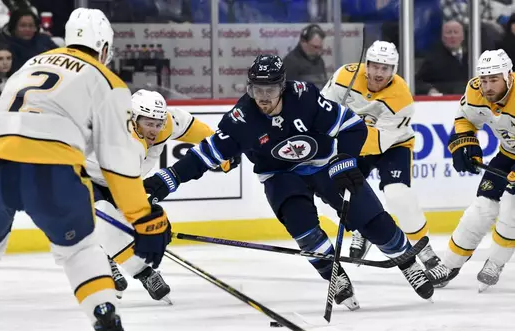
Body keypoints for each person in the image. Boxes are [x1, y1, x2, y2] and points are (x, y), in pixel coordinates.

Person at [0, 8, 172, 331]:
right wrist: (144, 217)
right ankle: (106, 321)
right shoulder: (107, 81)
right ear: (103, 47)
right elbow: (117, 162)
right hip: (48, 166)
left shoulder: (31, 63)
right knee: (79, 250)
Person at [143, 54, 435, 309]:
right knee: (303, 227)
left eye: (270, 89)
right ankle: (335, 277)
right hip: (280, 175)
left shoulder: (305, 98)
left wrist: (345, 160)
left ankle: (408, 263)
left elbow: (351, 126)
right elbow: (205, 155)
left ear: (282, 87)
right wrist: (167, 179)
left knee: (371, 219)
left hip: (323, 164)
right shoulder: (241, 118)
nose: (264, 97)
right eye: (258, 89)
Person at [426, 49, 515, 291]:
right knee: (482, 207)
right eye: (484, 80)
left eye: (494, 80)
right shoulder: (476, 90)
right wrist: (465, 141)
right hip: (511, 151)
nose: (488, 87)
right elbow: (465, 118)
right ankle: (450, 264)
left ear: (509, 77)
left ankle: (495, 262)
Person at [87, 89, 237, 301]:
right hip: (83, 177)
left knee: (119, 222)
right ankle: (144, 273)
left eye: (157, 124)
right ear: (133, 118)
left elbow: (191, 128)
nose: (154, 130)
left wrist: (223, 153)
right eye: (148, 124)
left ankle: (107, 254)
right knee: (106, 219)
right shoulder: (120, 138)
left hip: (118, 179)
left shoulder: (165, 122)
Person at [321, 41, 442, 274]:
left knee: (398, 195)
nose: (378, 73)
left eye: (385, 68)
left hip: (391, 145)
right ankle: (363, 230)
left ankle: (424, 250)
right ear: (365, 64)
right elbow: (322, 111)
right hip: (354, 143)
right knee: (345, 193)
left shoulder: (401, 97)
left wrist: (342, 149)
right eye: (374, 66)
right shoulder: (344, 77)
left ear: (394, 70)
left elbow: (379, 141)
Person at [415, 20, 469, 96]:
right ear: (442, 37)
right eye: (449, 33)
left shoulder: (471, 57)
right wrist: (429, 90)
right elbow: (417, 82)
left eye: (456, 32)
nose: (452, 36)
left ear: (462, 36)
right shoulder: (433, 58)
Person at [282, 24, 327, 89]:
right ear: (303, 42)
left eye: (320, 47)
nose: (318, 51)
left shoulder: (320, 61)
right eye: (315, 47)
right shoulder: (290, 62)